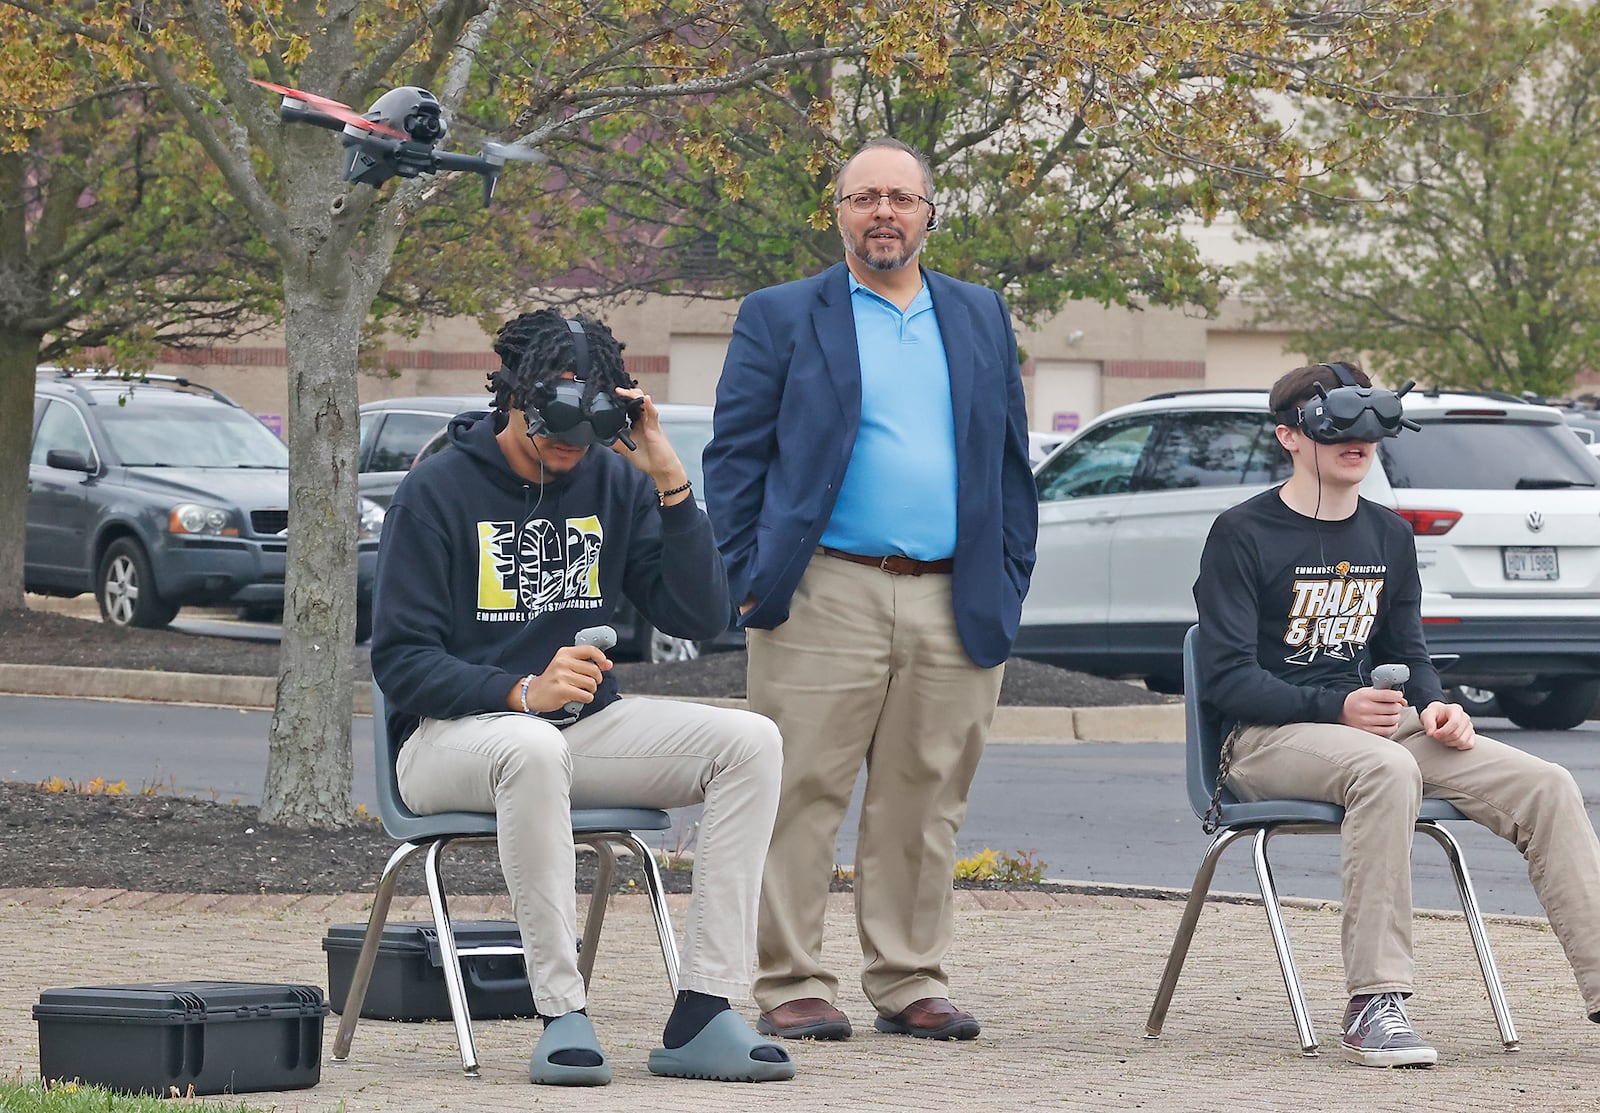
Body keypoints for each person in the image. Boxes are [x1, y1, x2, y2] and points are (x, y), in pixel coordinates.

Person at [369, 309, 794, 1086]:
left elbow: (699, 617)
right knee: (531, 744)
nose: (571, 447)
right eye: (555, 427)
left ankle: (704, 1009)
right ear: (513, 401)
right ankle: (563, 1011)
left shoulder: (611, 481)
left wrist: (667, 475)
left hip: (577, 733)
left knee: (752, 741)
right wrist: (519, 689)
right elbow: (401, 661)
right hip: (445, 741)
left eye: (589, 429)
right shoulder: (436, 491)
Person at [702, 138, 1038, 1043]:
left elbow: (1010, 463)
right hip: (824, 589)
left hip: (952, 593)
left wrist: (1007, 578)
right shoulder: (780, 315)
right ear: (837, 210)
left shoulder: (977, 313)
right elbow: (734, 459)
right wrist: (748, 575)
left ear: (931, 211)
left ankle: (908, 976)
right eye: (864, 197)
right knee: (800, 787)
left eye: (901, 197)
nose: (883, 212)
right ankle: (790, 978)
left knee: (926, 795)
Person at [1194, 360, 1600, 1069]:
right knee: (1384, 768)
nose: (1359, 440)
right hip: (1265, 738)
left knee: (1549, 784)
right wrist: (1334, 704)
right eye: (1338, 424)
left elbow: (1410, 652)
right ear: (1290, 435)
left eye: (1370, 424)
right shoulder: (1241, 533)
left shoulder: (1387, 534)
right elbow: (1227, 680)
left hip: (1379, 730)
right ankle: (1374, 1003)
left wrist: (1437, 705)